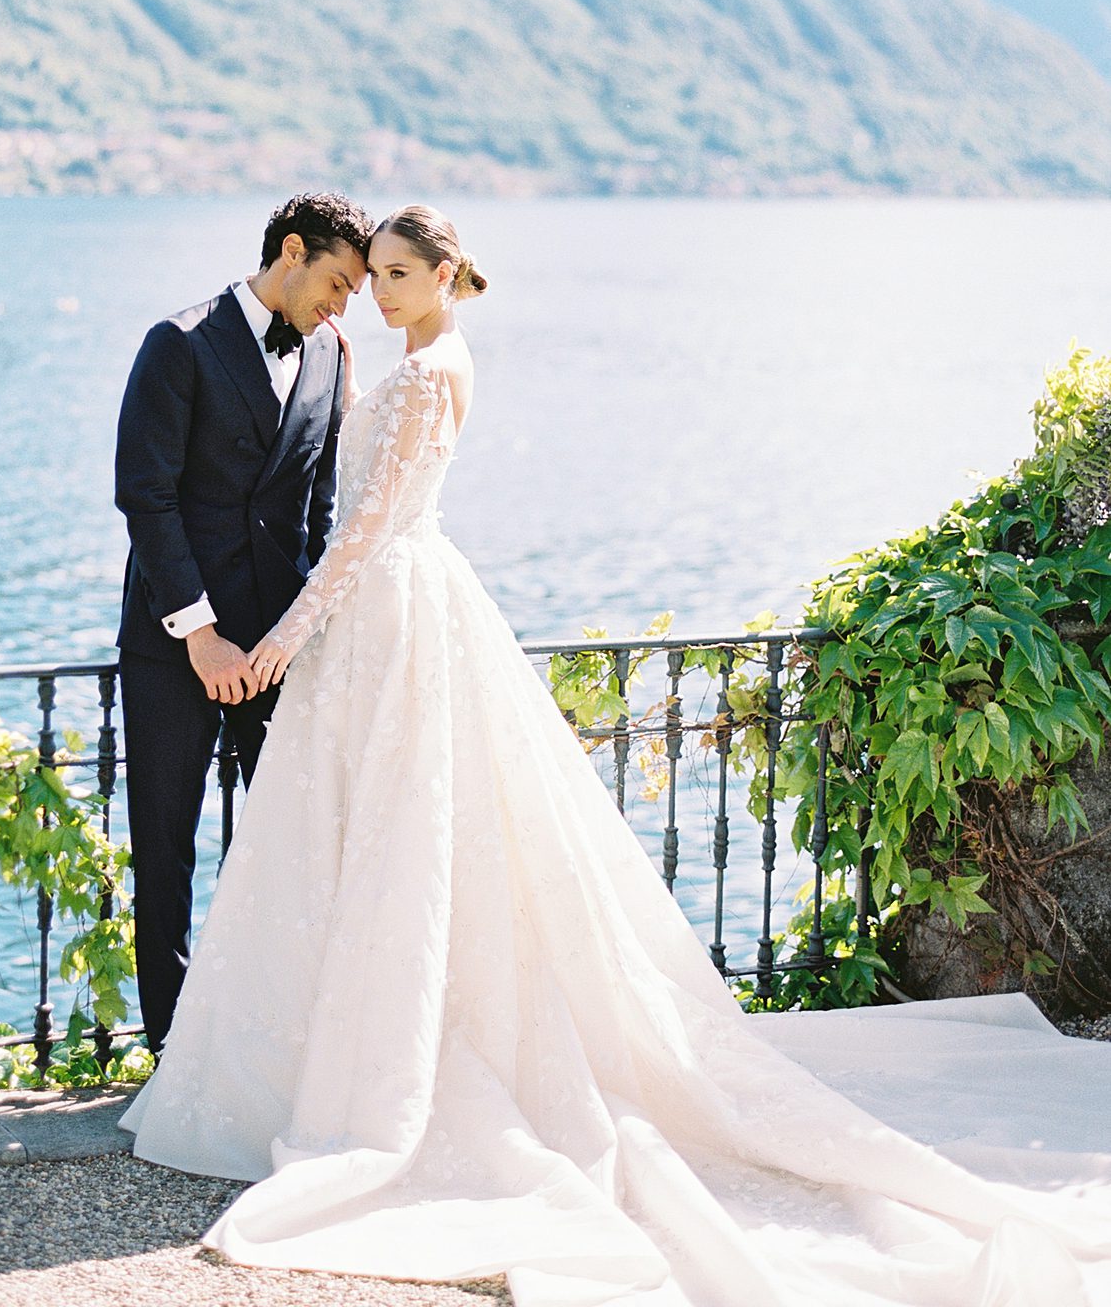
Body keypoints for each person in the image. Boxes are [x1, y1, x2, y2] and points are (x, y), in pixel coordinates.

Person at [124, 202, 1111, 1306]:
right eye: (366, 276)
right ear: (299, 258)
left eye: (395, 275)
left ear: (444, 275)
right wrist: (244, 634)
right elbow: (174, 497)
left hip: (363, 620)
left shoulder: (419, 366)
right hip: (305, 636)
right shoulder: (266, 347)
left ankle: (377, 1073)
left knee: (404, 842)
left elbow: (356, 528)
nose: (374, 294)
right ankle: (245, 1057)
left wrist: (283, 639)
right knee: (304, 844)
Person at [113, 190, 370, 1055]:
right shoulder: (177, 344)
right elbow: (144, 498)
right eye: (336, 283)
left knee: (296, 845)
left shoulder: (333, 355)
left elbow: (320, 509)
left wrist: (298, 636)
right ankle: (173, 1051)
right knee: (166, 850)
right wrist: (201, 635)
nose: (341, 307)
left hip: (278, 653)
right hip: (174, 645)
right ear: (290, 251)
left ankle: (285, 1040)